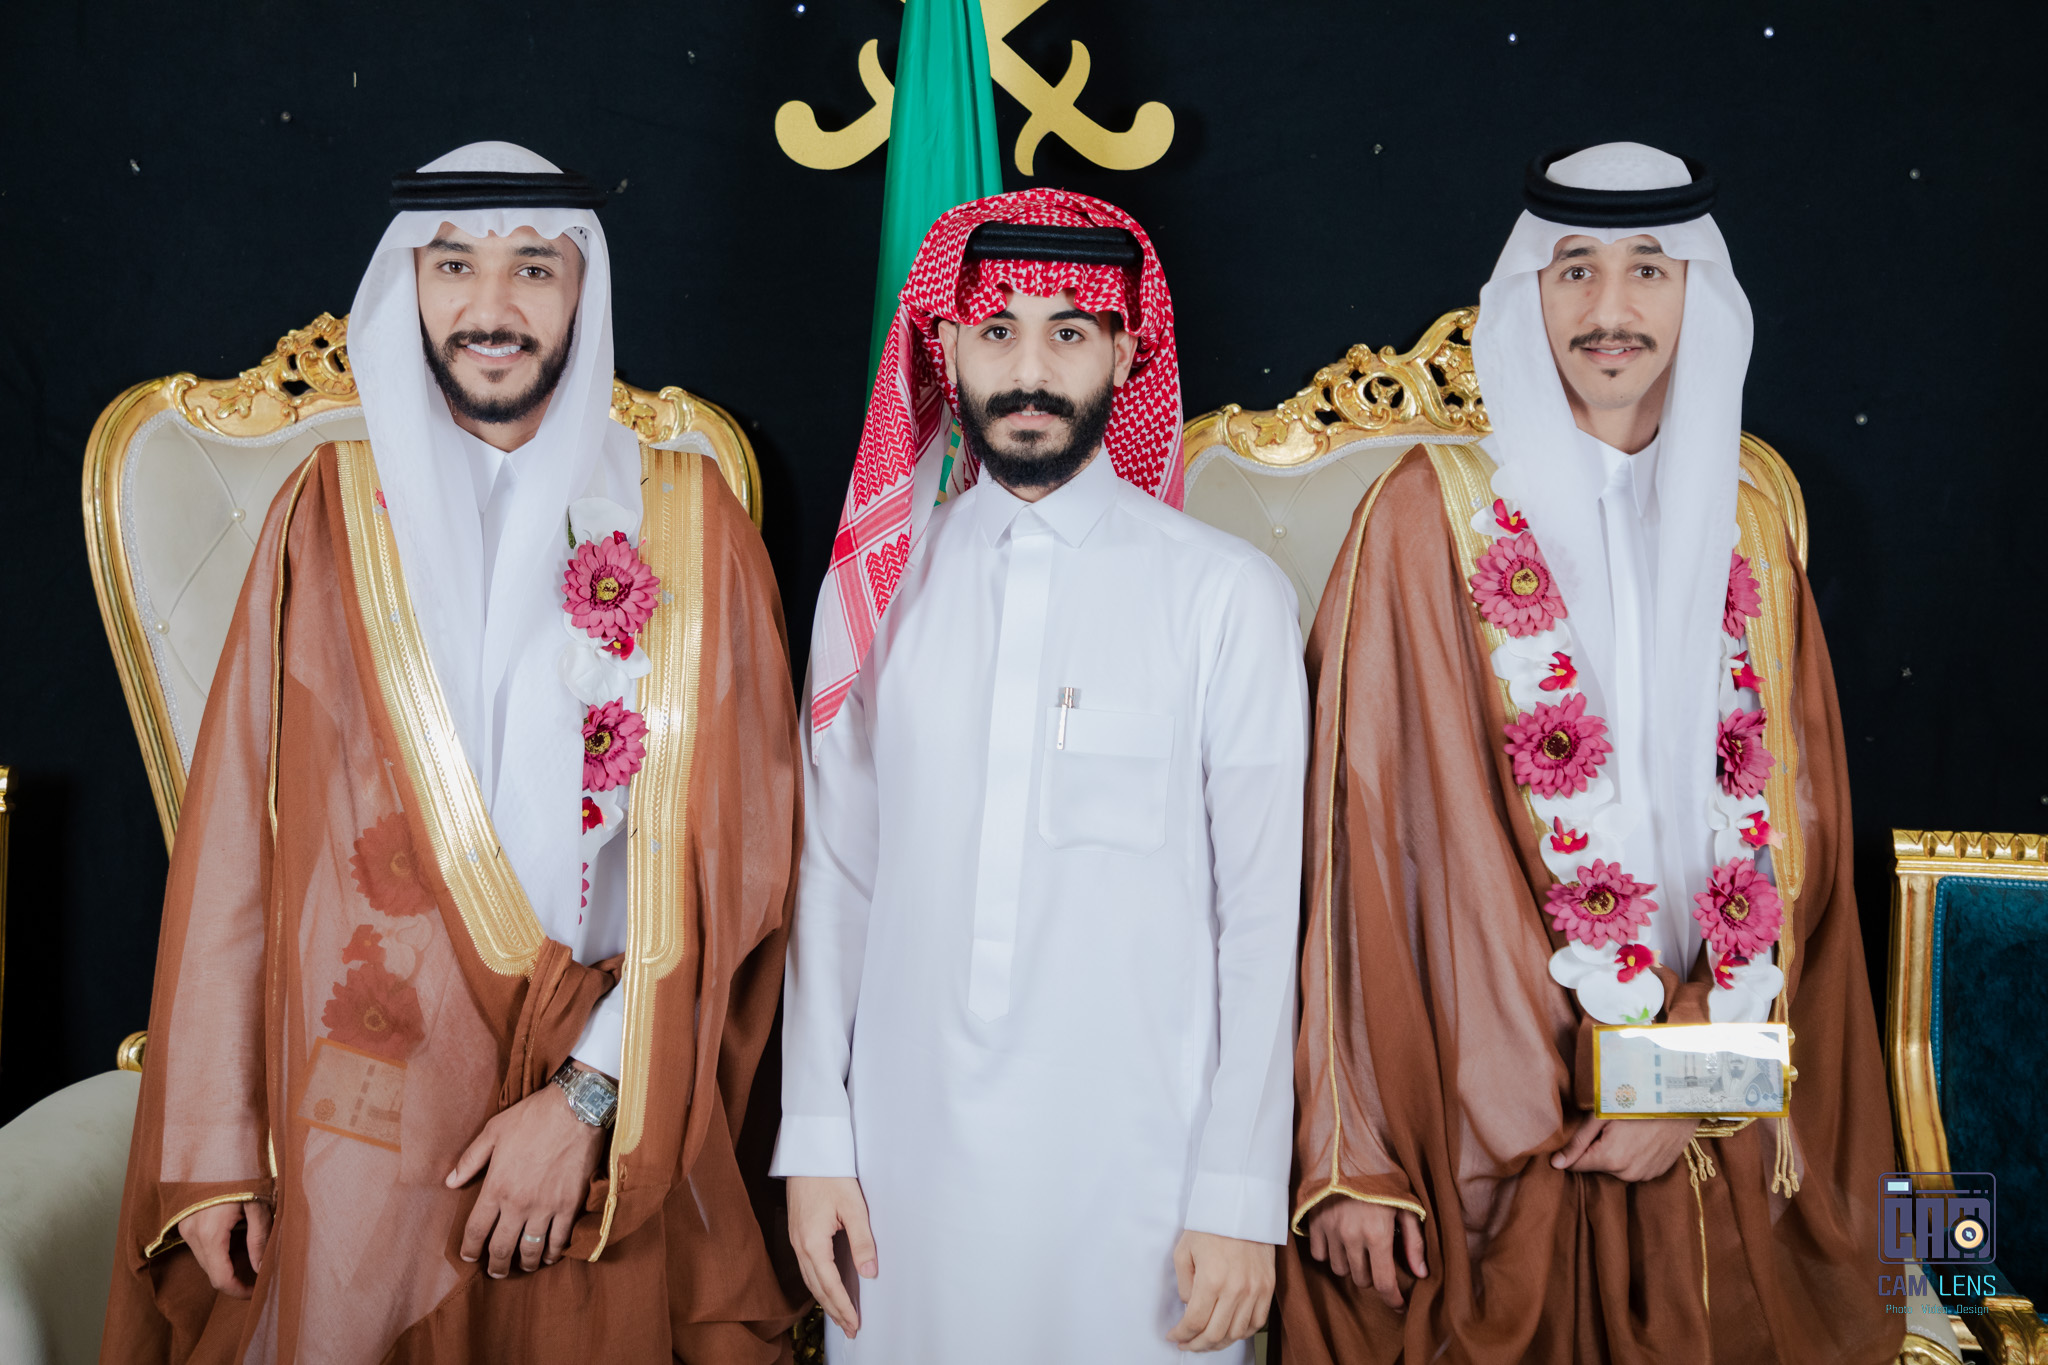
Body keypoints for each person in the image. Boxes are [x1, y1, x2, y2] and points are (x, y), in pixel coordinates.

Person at [101, 141, 804, 1363]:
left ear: (582, 291)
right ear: (406, 287)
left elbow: (734, 872)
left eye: (532, 267)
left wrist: (585, 1099)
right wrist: (215, 1151)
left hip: (602, 1126)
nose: (491, 306)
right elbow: (236, 854)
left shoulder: (691, 524)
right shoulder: (324, 515)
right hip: (361, 1104)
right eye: (453, 265)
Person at [1277, 143, 1902, 1363]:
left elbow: (1799, 838)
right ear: (1529, 293)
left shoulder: (1749, 517)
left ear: (1696, 295)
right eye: (1574, 270)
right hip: (1493, 1100)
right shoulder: (1425, 513)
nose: (1609, 310)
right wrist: (1353, 1151)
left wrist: (1682, 1079)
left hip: (1720, 1085)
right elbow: (1358, 849)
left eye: (1647, 270)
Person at [772, 190, 1307, 1362]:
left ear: (1125, 351)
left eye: (1067, 332)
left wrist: (1236, 1191)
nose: (1027, 372)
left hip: (1146, 1181)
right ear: (944, 349)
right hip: (902, 1170)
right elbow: (832, 877)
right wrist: (813, 1137)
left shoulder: (1222, 597)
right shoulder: (875, 594)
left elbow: (1264, 919)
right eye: (995, 331)